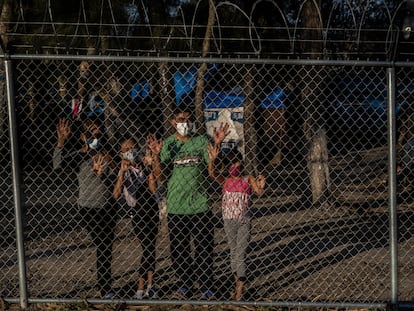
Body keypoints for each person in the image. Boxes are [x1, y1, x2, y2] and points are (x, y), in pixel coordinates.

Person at [152, 104, 229, 300]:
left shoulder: (201, 140)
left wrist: (217, 147)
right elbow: (160, 176)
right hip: (177, 205)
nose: (184, 124)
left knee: (204, 248)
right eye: (180, 120)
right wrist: (155, 156)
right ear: (173, 122)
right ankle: (184, 285)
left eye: (187, 120)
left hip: (200, 204)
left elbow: (212, 172)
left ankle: (206, 286)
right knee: (179, 250)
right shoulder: (168, 144)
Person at [53, 117, 118, 299]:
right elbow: (57, 166)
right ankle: (105, 286)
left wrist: (105, 158)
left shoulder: (107, 152)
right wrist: (61, 141)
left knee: (105, 246)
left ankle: (105, 288)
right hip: (88, 207)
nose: (95, 134)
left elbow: (118, 174)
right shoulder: (79, 156)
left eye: (98, 131)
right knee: (102, 243)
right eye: (91, 131)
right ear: (83, 136)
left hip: (108, 206)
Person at [207, 145, 266, 301]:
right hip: (228, 221)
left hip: (243, 221)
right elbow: (212, 173)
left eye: (237, 163)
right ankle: (237, 284)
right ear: (227, 166)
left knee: (240, 253)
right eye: (232, 164)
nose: (235, 167)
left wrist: (261, 184)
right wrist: (212, 160)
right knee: (233, 253)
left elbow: (259, 192)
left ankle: (240, 290)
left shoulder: (247, 179)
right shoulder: (226, 181)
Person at [112, 135, 161, 299]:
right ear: (120, 153)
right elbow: (116, 193)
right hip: (137, 212)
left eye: (131, 148)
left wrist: (151, 164)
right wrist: (123, 172)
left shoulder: (144, 165)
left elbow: (154, 190)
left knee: (151, 247)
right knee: (147, 247)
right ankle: (141, 286)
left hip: (151, 210)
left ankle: (150, 285)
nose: (129, 152)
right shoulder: (124, 171)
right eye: (125, 150)